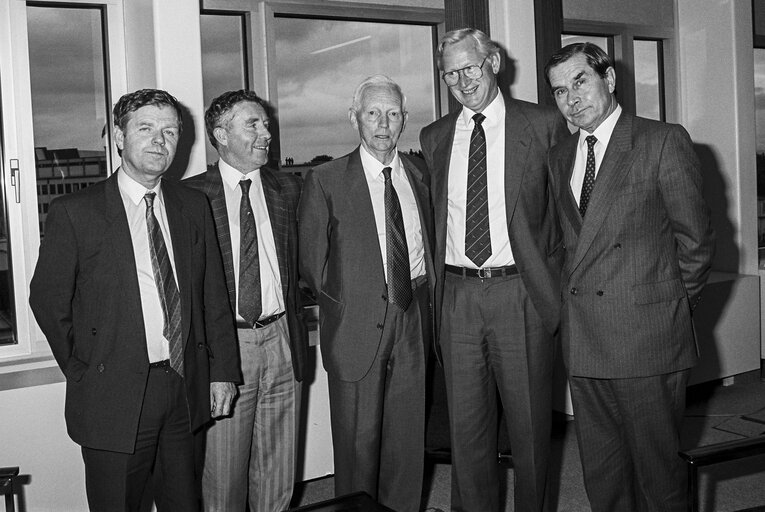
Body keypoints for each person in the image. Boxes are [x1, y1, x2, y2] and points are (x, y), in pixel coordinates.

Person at [29, 88, 240, 511]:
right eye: (145, 128)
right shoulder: (76, 211)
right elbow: (47, 299)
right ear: (119, 138)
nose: (159, 141)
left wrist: (223, 372)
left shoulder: (192, 205)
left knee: (184, 503)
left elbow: (212, 296)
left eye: (170, 131)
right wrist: (82, 367)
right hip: (114, 394)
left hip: (183, 387)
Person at [544, 42, 715, 512]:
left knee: (659, 481)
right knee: (604, 480)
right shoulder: (561, 156)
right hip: (585, 344)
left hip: (648, 342)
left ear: (610, 78)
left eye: (580, 82)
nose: (571, 98)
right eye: (560, 91)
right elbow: (566, 247)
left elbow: (696, 244)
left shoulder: (661, 140)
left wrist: (664, 312)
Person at [419, 28, 568, 512]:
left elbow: (567, 216)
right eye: (450, 73)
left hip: (519, 293)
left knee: (529, 433)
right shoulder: (435, 136)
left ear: (495, 62)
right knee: (467, 433)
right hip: (458, 296)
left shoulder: (545, 124)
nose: (462, 80)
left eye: (470, 67)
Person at [298, 75, 435, 512]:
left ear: (405, 119)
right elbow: (311, 264)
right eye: (372, 113)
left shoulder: (420, 173)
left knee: (408, 439)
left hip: (414, 313)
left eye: (393, 114)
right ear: (353, 117)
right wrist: (351, 301)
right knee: (358, 445)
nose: (383, 123)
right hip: (356, 325)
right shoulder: (326, 179)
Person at [184, 89, 307, 512]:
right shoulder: (190, 197)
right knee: (223, 478)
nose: (266, 133)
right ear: (221, 134)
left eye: (266, 123)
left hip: (282, 339)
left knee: (278, 472)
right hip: (227, 347)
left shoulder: (287, 189)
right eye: (253, 124)